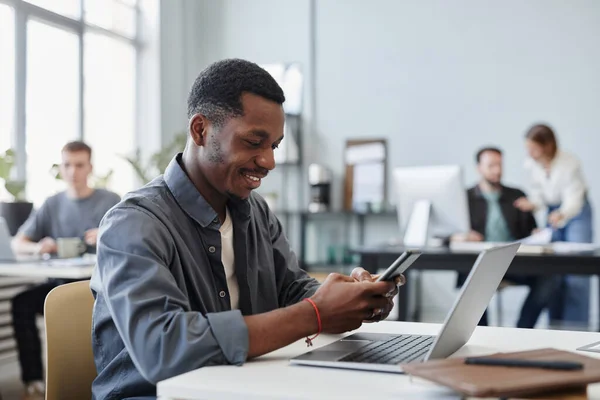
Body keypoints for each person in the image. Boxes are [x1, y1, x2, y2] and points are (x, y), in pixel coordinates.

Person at [90, 59, 402, 400]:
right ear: (200, 131)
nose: (269, 161)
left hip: (244, 389)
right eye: (255, 142)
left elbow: (292, 290)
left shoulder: (255, 211)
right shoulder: (134, 224)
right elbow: (162, 348)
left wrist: (350, 299)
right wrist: (314, 314)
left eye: (275, 146)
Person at [11, 141, 120, 400]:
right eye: (67, 165)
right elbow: (18, 242)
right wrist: (39, 247)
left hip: (97, 286)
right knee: (21, 304)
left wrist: (107, 234)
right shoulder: (51, 204)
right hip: (58, 285)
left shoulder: (111, 200)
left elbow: (133, 238)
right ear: (61, 167)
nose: (73, 171)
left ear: (90, 167)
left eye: (79, 165)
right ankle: (34, 381)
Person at [453, 147, 560, 328]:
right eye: (491, 165)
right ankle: (481, 333)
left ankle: (522, 330)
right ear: (479, 168)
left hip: (514, 262)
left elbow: (532, 231)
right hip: (479, 263)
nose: (497, 170)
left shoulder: (516, 195)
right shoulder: (464, 198)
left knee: (550, 278)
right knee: (470, 277)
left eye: (500, 165)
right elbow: (451, 232)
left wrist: (538, 234)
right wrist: (458, 237)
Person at [514, 124, 593, 329]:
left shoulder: (569, 163)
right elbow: (538, 193)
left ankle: (575, 328)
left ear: (547, 145)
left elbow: (573, 199)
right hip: (553, 212)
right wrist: (533, 203)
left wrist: (563, 213)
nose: (529, 153)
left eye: (533, 148)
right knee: (554, 268)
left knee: (576, 270)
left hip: (576, 213)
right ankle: (556, 326)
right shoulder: (532, 164)